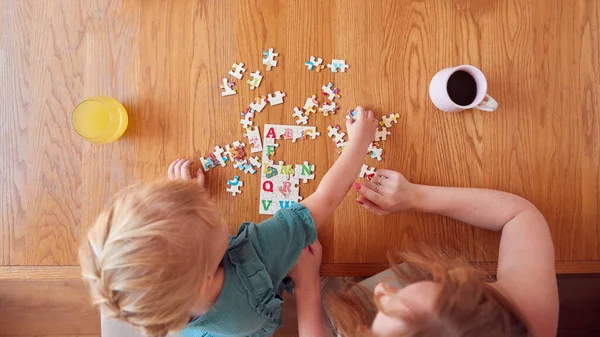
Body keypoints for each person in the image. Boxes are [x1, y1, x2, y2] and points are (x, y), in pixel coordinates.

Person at [78, 107, 378, 337]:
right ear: (208, 270)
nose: (210, 205)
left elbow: (170, 250)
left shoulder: (163, 307)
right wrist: (359, 142)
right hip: (252, 311)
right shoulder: (257, 252)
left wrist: (183, 203)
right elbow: (325, 200)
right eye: (210, 214)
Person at [327, 169, 559, 337]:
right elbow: (520, 216)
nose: (381, 289)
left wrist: (307, 293)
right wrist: (415, 196)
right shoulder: (529, 314)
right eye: (444, 284)